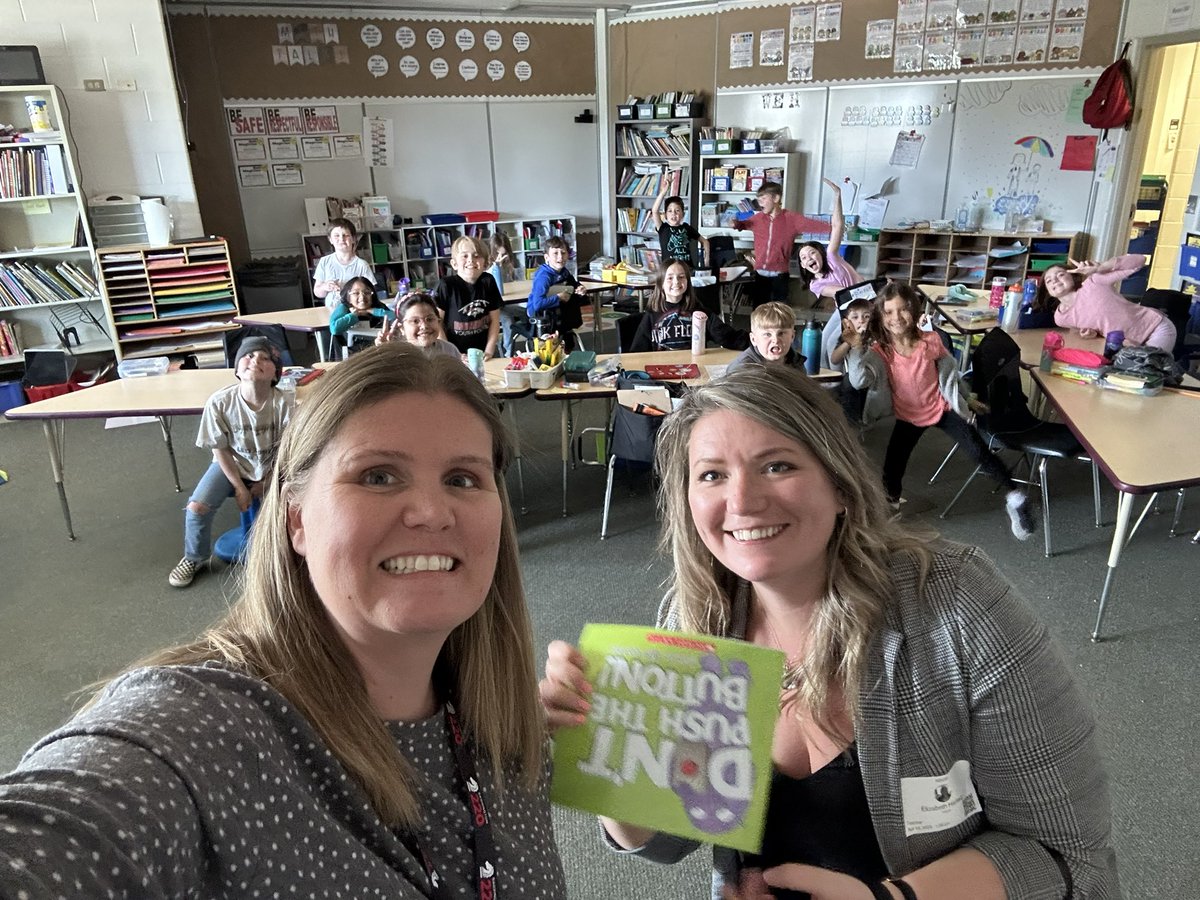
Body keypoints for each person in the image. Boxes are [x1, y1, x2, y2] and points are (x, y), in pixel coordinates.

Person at [1, 345, 567, 897]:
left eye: (462, 479)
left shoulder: (500, 719)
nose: (432, 512)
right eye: (377, 476)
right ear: (297, 519)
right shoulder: (207, 732)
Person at [540, 364, 1119, 900]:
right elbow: (671, 837)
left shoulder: (955, 604)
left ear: (840, 484)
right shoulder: (696, 624)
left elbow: (1066, 854)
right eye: (712, 475)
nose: (742, 500)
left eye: (777, 466)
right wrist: (607, 751)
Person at [846, 283, 1035, 539]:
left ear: (914, 310)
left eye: (903, 310)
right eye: (889, 312)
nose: (896, 317)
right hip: (908, 415)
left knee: (978, 450)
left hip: (941, 407)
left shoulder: (930, 341)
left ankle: (1016, 498)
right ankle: (889, 511)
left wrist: (967, 398)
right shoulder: (881, 351)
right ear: (881, 316)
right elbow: (858, 381)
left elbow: (950, 376)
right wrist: (856, 348)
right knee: (893, 466)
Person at [167, 336, 292, 588]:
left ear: (275, 374)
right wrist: (239, 486)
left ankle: (287, 555)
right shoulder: (220, 402)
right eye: (249, 356)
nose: (255, 360)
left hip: (273, 466)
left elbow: (289, 450)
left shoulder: (284, 403)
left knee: (291, 506)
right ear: (236, 369)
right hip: (232, 465)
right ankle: (194, 557)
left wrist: (268, 481)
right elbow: (221, 449)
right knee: (196, 507)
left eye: (265, 358)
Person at [1037, 254, 1177, 352]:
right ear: (1047, 291)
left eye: (1061, 274)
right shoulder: (1061, 318)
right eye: (1049, 281)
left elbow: (1140, 260)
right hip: (1128, 345)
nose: (1055, 280)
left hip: (1155, 328)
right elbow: (1096, 327)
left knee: (1151, 371)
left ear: (1073, 276)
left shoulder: (1094, 282)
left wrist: (1101, 267)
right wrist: (1092, 333)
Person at [732, 182, 827, 309]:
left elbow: (815, 225)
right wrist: (736, 224)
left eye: (763, 198)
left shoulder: (791, 219)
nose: (760, 202)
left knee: (779, 309)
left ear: (776, 198)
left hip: (780, 275)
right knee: (759, 309)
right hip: (760, 273)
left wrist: (834, 228)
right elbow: (744, 224)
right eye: (758, 199)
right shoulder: (758, 218)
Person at [627, 259, 748, 353]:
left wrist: (755, 340)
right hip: (662, 369)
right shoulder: (651, 314)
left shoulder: (699, 311)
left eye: (681, 277)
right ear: (661, 283)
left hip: (693, 366)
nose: (676, 282)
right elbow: (637, 352)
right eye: (670, 278)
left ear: (687, 281)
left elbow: (727, 337)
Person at [433, 236, 502, 359]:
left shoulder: (488, 281)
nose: (471, 260)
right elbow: (436, 324)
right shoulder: (446, 285)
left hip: (484, 352)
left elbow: (495, 320)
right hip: (453, 354)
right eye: (465, 256)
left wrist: (489, 350)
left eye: (476, 256)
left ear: (485, 264)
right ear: (454, 264)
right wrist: (453, 354)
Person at [526, 235, 588, 352]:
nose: (560, 257)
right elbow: (537, 304)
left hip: (560, 316)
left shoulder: (564, 272)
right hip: (541, 317)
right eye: (555, 253)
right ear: (547, 257)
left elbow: (573, 284)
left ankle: (566, 347)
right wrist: (558, 298)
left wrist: (580, 288)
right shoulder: (544, 277)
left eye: (563, 253)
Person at [827, 296, 874, 423]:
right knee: (843, 389)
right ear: (847, 323)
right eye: (855, 317)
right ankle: (849, 421)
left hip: (871, 376)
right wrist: (849, 342)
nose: (861, 321)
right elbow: (834, 359)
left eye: (866, 316)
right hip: (852, 378)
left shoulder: (874, 337)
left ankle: (857, 420)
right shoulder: (846, 338)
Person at [376, 290, 460, 358]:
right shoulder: (397, 356)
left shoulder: (450, 350)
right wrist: (384, 354)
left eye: (430, 319)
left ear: (438, 321)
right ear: (402, 328)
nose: (424, 326)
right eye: (415, 321)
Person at [726, 301, 806, 373]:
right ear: (753, 339)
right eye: (768, 334)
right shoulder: (742, 371)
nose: (775, 340)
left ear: (792, 336)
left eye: (781, 333)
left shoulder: (797, 363)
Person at [313, 218, 376, 308]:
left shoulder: (362, 265)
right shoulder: (324, 262)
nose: (341, 239)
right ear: (330, 240)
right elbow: (318, 292)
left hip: (355, 311)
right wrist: (325, 287)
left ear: (353, 239)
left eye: (345, 235)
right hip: (332, 311)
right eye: (336, 236)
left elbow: (372, 291)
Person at [489, 231, 533, 356]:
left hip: (508, 303)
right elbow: (497, 289)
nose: (501, 257)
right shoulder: (490, 267)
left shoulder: (510, 264)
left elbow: (515, 283)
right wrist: (496, 267)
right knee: (507, 319)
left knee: (528, 312)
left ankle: (528, 339)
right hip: (495, 306)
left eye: (504, 254)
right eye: (498, 253)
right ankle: (508, 351)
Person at [329, 275, 396, 354]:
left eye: (367, 292)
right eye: (356, 293)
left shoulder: (378, 307)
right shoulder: (343, 308)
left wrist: (371, 311)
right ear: (348, 297)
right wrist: (354, 315)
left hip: (377, 350)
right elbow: (334, 329)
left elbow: (394, 317)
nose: (362, 297)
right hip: (350, 353)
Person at [651, 184, 710, 267]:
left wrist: (706, 259)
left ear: (683, 214)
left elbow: (705, 242)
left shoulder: (686, 228)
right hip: (669, 269)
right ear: (665, 215)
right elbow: (654, 211)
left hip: (687, 269)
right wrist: (663, 192)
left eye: (677, 210)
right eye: (670, 211)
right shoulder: (663, 228)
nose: (673, 214)